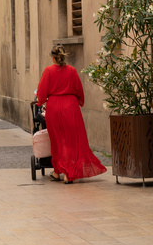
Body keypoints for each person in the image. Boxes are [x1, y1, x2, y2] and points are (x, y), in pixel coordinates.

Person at [36, 45, 106, 184]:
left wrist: (40, 101)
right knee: (72, 141)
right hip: (71, 107)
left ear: (53, 57)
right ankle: (67, 173)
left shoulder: (48, 71)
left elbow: (42, 93)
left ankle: (60, 172)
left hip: (54, 107)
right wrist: (79, 101)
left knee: (58, 141)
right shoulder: (72, 71)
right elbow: (79, 91)